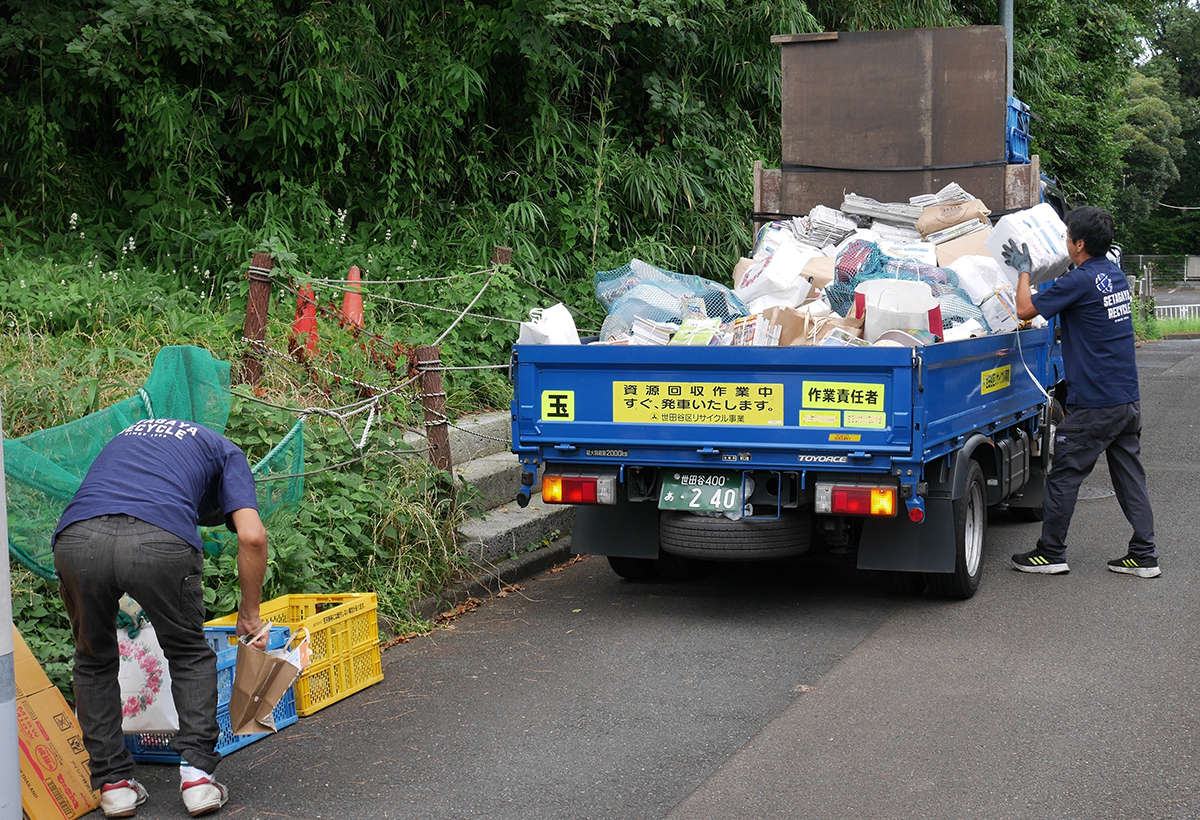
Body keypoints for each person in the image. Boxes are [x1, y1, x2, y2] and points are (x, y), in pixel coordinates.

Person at [53, 418, 270, 817]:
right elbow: (252, 536)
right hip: (160, 539)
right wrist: (250, 615)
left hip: (77, 537)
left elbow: (115, 514)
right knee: (188, 653)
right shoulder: (227, 453)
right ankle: (198, 780)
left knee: (93, 659)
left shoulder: (131, 435)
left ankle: (114, 785)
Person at [1004, 206, 1159, 578]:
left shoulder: (1081, 281)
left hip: (1095, 403)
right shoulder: (1112, 275)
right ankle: (1144, 555)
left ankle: (1050, 552)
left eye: (1067, 236)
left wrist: (1024, 268)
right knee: (1129, 477)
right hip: (1126, 399)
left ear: (1080, 244)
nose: (1065, 241)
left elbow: (1024, 309)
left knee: (1064, 475)